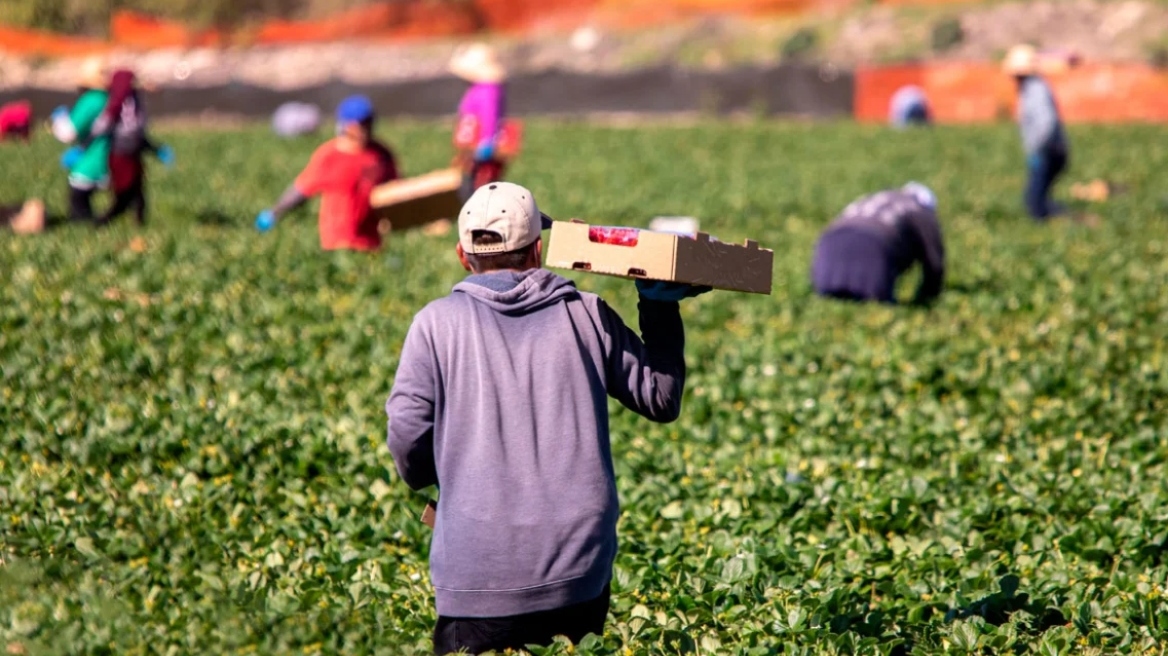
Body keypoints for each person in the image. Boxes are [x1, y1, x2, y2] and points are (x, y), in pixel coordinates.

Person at [385, 182, 708, 655]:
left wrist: (448, 481)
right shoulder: (587, 314)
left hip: (476, 578)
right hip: (577, 576)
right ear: (538, 250)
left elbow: (407, 436)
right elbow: (660, 397)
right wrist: (658, 307)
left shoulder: (435, 324)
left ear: (462, 255)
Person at [256, 95, 398, 251]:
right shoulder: (329, 156)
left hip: (372, 243)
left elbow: (395, 190)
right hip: (338, 243)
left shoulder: (382, 154)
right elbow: (301, 190)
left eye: (369, 122)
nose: (366, 129)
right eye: (361, 124)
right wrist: (274, 213)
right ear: (346, 126)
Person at [811, 182, 945, 305]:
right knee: (875, 307)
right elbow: (934, 260)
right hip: (873, 248)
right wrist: (927, 299)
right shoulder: (920, 209)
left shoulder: (871, 198)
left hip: (828, 247)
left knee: (829, 302)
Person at [89, 69, 174, 226]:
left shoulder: (133, 101)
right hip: (120, 154)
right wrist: (84, 146)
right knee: (124, 193)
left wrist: (155, 149)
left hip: (133, 153)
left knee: (138, 192)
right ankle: (102, 222)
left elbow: (138, 132)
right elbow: (102, 128)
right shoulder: (115, 105)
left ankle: (138, 223)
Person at [1003, 44, 1069, 221]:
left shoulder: (1035, 89)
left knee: (1035, 203)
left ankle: (1066, 219)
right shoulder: (1029, 88)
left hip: (1047, 152)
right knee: (1036, 200)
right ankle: (1060, 219)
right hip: (1045, 150)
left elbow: (1046, 122)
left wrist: (1039, 148)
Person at [51, 57, 111, 223]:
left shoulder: (91, 100)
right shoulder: (111, 99)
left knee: (78, 207)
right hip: (112, 160)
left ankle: (89, 225)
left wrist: (59, 119)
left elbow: (67, 133)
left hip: (91, 163)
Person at [450, 44, 508, 201]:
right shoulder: (478, 88)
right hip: (472, 148)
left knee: (479, 191)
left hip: (482, 150)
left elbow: (490, 117)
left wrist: (487, 143)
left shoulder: (488, 90)